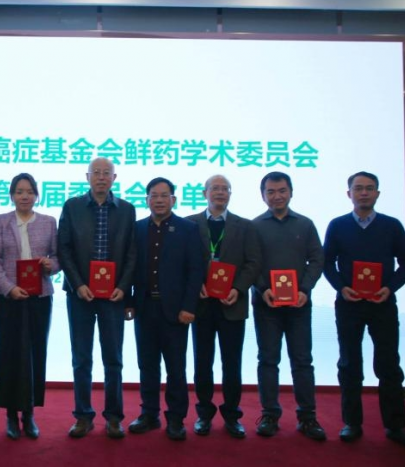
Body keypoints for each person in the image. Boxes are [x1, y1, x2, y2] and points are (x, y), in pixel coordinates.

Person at [323, 171, 405, 450]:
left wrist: (389, 288)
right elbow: (326, 263)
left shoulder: (391, 226)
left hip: (383, 305)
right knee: (349, 364)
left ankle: (395, 426)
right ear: (349, 194)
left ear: (377, 193)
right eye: (358, 188)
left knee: (388, 365)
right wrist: (342, 288)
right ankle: (352, 423)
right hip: (349, 305)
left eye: (369, 188)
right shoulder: (338, 225)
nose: (364, 193)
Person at [57, 157, 136, 439]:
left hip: (113, 296)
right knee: (81, 359)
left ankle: (114, 418)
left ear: (114, 178)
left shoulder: (127, 210)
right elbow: (63, 248)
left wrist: (123, 287)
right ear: (87, 176)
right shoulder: (72, 206)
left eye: (107, 173)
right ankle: (83, 416)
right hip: (80, 295)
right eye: (96, 173)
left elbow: (132, 253)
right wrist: (78, 284)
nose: (101, 177)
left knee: (113, 359)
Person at [251, 171, 326, 441]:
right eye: (271, 192)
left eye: (282, 190)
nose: (277, 196)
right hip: (266, 305)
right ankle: (269, 414)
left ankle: (307, 417)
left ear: (291, 192)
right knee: (268, 360)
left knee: (302, 361)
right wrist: (263, 289)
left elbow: (317, 260)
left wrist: (305, 289)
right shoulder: (254, 226)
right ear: (263, 196)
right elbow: (251, 263)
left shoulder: (305, 225)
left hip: (299, 306)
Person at [127, 177, 203, 441]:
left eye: (164, 195)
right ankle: (149, 414)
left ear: (173, 199)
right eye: (154, 195)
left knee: (176, 368)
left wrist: (189, 307)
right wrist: (129, 302)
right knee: (147, 366)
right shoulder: (137, 229)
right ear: (146, 200)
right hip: (144, 307)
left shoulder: (188, 229)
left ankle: (176, 419)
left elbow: (196, 271)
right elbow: (130, 268)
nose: (159, 200)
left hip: (176, 311)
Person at [186, 175, 261, 438]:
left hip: (232, 304)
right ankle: (204, 414)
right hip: (202, 304)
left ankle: (232, 415)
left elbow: (253, 263)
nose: (220, 192)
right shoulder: (189, 224)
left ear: (230, 194)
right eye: (215, 188)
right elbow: (183, 261)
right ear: (204, 193)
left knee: (232, 363)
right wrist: (195, 285)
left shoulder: (245, 226)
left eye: (225, 189)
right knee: (202, 362)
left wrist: (237, 289)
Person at [0, 173, 60, 440]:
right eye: (19, 191)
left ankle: (28, 413)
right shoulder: (0, 221)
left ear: (37, 195)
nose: (24, 196)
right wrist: (9, 287)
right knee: (9, 354)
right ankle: (10, 414)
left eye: (29, 191)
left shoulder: (49, 222)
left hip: (40, 297)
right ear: (11, 195)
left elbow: (58, 257)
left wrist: (51, 265)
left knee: (35, 353)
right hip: (9, 298)